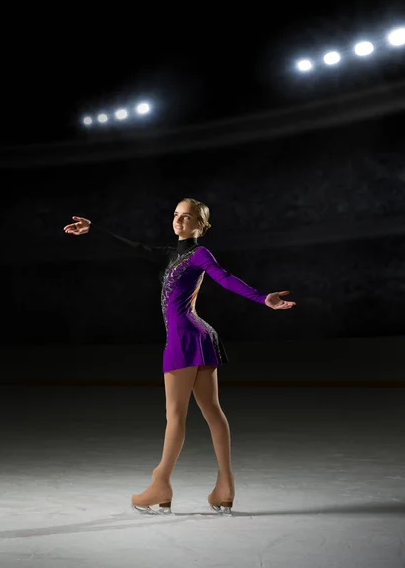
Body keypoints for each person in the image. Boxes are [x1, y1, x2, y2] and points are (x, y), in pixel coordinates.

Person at [63, 198, 296, 515]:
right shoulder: (173, 254)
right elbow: (136, 247)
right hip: (200, 334)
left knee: (176, 414)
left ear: (201, 225)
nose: (179, 221)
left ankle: (161, 482)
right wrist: (96, 230)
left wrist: (261, 299)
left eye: (187, 217)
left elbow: (223, 277)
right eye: (176, 215)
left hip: (185, 336)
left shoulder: (200, 254)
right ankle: (224, 487)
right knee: (212, 411)